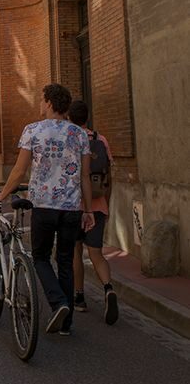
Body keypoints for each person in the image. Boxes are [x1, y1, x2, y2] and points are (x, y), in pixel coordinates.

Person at [0, 83, 94, 336]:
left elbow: (19, 171)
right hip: (71, 208)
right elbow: (85, 176)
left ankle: (58, 303)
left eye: (41, 100)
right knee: (65, 262)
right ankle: (66, 324)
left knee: (39, 257)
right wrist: (89, 210)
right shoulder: (79, 134)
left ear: (49, 102)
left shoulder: (33, 131)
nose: (40, 104)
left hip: (44, 206)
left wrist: (2, 194)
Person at [68, 100, 119, 325]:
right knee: (96, 253)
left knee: (76, 252)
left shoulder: (69, 140)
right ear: (87, 118)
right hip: (98, 205)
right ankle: (108, 288)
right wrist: (106, 203)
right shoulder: (100, 140)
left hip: (74, 206)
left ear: (70, 118)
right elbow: (109, 174)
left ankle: (79, 297)